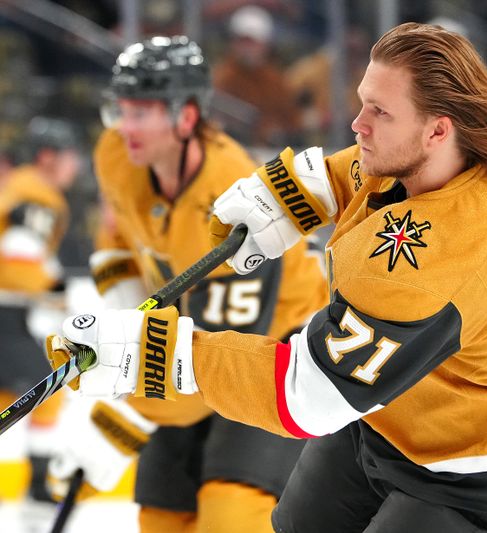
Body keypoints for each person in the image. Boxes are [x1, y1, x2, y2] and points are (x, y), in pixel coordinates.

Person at [50, 23, 487, 533]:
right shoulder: (485, 156)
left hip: (484, 452)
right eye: (363, 103)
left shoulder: (423, 261)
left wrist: (159, 355)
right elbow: (367, 168)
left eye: (379, 113)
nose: (357, 124)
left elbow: (309, 396)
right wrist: (301, 191)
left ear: (439, 131)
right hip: (409, 400)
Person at [45, 35, 328, 533]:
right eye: (121, 109)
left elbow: (215, 358)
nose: (125, 127)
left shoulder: (233, 203)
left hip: (272, 352)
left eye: (142, 113)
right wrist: (129, 324)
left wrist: (123, 421)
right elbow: (117, 238)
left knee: (229, 515)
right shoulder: (116, 154)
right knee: (161, 519)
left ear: (187, 118)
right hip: (184, 338)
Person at [0, 116, 81, 503]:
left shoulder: (20, 187)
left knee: (20, 394)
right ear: (48, 156)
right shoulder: (37, 193)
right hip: (5, 314)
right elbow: (17, 262)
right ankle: (37, 482)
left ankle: (36, 482)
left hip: (8, 315)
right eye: (68, 156)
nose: (75, 165)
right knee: (47, 386)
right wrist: (59, 290)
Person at [212, 4, 300, 146]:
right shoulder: (222, 77)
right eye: (241, 41)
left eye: (252, 42)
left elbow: (292, 120)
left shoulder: (276, 80)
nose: (246, 48)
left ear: (266, 45)